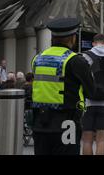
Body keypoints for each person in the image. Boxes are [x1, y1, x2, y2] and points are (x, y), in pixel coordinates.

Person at [31, 18, 94, 155]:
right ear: (72, 38)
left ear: (52, 37)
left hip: (40, 123)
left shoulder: (37, 59)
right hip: (67, 124)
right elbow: (91, 91)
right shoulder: (75, 60)